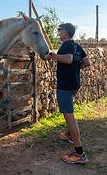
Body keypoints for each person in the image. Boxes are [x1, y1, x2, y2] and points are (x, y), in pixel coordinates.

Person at [45, 23, 90, 164]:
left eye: (60, 30)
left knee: (69, 115)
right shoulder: (78, 46)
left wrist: (53, 55)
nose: (59, 32)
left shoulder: (67, 44)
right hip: (75, 84)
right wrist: (75, 69)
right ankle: (70, 135)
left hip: (65, 86)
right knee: (69, 112)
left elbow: (69, 59)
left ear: (67, 33)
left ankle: (79, 154)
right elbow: (86, 62)